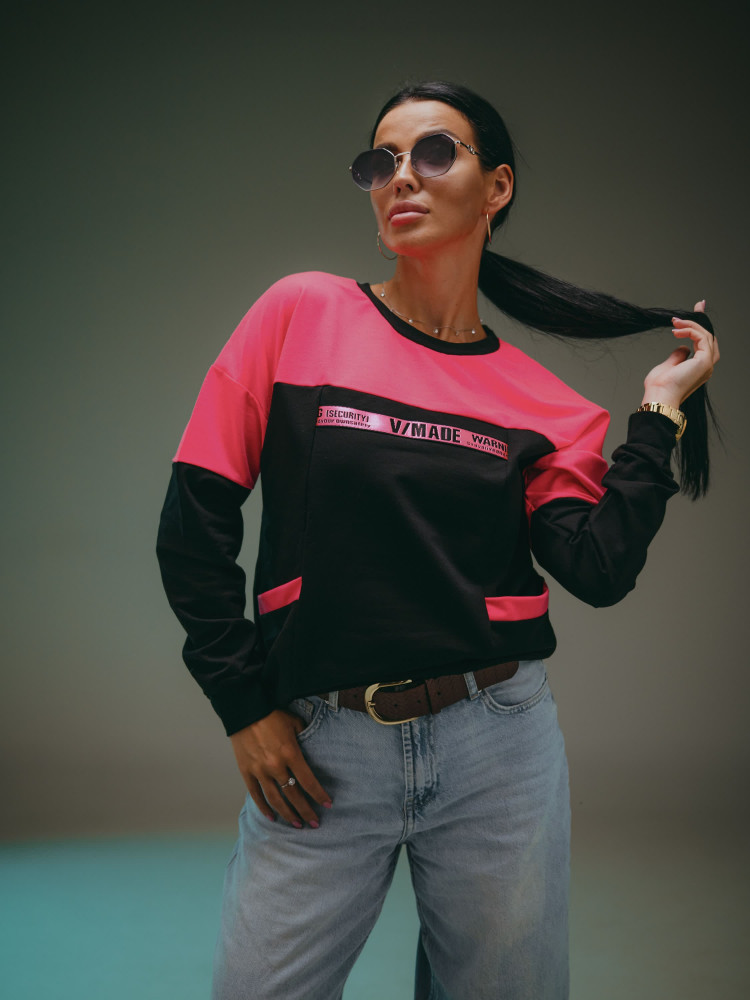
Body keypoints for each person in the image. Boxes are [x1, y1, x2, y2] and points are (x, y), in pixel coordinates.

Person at [156, 81, 719, 1000]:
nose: (401, 178)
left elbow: (598, 567)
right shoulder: (301, 314)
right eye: (380, 162)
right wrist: (241, 703)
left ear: (497, 187)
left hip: (499, 750)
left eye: (432, 153)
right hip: (322, 750)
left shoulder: (543, 404)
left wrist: (657, 416)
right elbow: (193, 523)